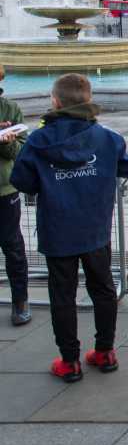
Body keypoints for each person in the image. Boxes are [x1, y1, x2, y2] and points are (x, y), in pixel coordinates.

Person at [10, 74, 128, 382]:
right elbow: (126, 165)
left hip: (58, 227)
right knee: (103, 288)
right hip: (94, 226)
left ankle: (70, 361)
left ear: (55, 101)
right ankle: (105, 351)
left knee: (63, 295)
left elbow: (22, 180)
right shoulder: (107, 137)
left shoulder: (39, 140)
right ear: (88, 99)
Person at [0, 64, 30, 326]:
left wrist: (8, 143)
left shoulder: (10, 109)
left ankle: (20, 301)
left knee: (13, 247)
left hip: (4, 191)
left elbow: (22, 149)